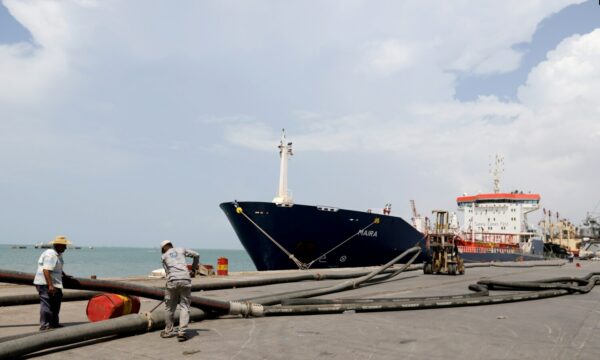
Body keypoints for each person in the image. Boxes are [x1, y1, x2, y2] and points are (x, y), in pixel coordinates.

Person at [160, 240, 199, 342]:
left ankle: (168, 331)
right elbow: (197, 255)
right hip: (186, 279)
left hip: (172, 281)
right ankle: (182, 332)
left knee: (169, 308)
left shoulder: (164, 256)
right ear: (171, 245)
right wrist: (194, 269)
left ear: (164, 248)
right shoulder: (181, 249)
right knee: (185, 306)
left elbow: (167, 272)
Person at [33, 235, 72, 331]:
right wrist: (50, 285)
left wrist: (64, 275)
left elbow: (57, 267)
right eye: (64, 246)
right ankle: (45, 325)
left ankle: (54, 323)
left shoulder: (58, 254)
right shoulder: (51, 254)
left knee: (56, 303)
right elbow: (46, 270)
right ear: (58, 245)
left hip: (55, 283)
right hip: (45, 283)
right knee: (47, 304)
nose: (65, 248)